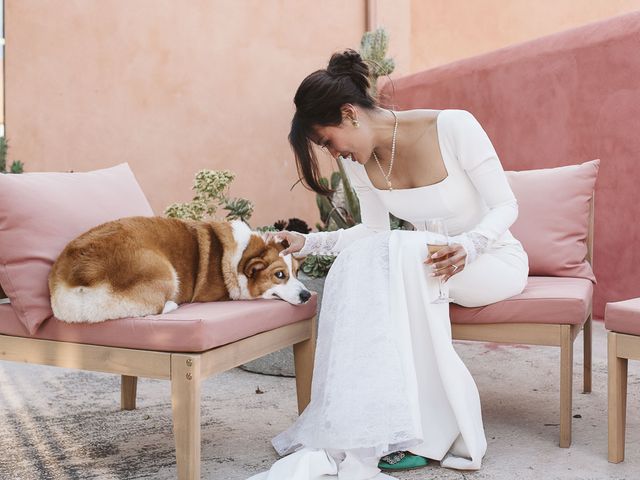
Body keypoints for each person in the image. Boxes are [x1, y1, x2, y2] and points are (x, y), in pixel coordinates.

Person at [251, 49, 528, 480]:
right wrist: (307, 241)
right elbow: (372, 235)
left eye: (327, 141)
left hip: (490, 261)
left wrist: (469, 246)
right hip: (426, 270)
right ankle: (384, 422)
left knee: (403, 260)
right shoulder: (362, 165)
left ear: (350, 114)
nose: (334, 153)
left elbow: (506, 205)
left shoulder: (453, 126)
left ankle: (430, 433)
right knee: (389, 260)